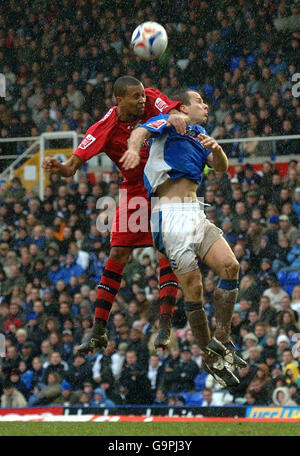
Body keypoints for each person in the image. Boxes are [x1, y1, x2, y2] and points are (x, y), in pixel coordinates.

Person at [42, 75, 187, 353]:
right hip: (133, 191)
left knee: (166, 252)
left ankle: (165, 323)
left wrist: (176, 117)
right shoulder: (104, 128)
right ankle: (98, 330)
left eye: (143, 95)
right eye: (135, 97)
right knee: (117, 255)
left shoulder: (151, 100)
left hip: (165, 186)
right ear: (119, 100)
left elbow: (171, 110)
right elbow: (72, 166)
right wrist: (57, 166)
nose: (142, 100)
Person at [125, 89, 248, 387]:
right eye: (199, 102)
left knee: (231, 267)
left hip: (195, 212)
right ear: (183, 106)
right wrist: (132, 149)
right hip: (169, 214)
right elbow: (141, 131)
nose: (206, 106)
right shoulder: (167, 122)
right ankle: (210, 356)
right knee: (194, 288)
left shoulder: (200, 133)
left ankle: (222, 339)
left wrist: (216, 149)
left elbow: (221, 168)